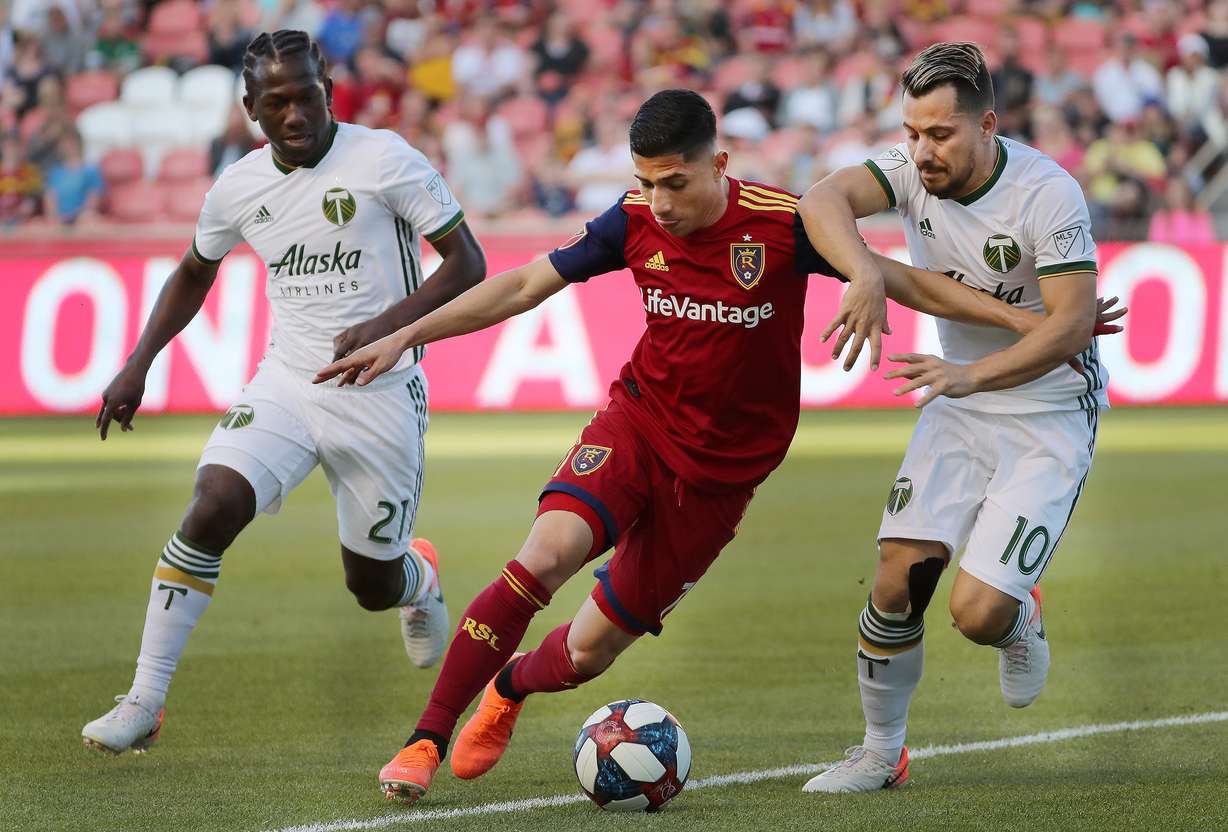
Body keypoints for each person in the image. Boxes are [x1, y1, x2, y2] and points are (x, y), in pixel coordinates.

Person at [314, 88, 1096, 806]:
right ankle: (424, 739)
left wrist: (1041, 325)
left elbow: (909, 282)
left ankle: (511, 687)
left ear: (717, 165)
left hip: (718, 483)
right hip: (639, 425)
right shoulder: (632, 221)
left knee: (587, 655)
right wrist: (407, 335)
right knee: (542, 557)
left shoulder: (783, 226)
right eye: (646, 182)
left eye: (675, 183)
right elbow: (524, 286)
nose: (660, 201)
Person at [80, 29, 487, 756]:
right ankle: (143, 699)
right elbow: (194, 271)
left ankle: (418, 578)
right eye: (278, 103)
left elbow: (468, 263)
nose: (296, 114)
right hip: (287, 385)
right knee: (211, 506)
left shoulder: (385, 158)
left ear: (326, 86)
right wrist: (139, 361)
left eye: (307, 95)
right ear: (252, 111)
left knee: (368, 583)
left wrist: (386, 326)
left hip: (380, 392)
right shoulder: (238, 186)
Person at [798, 42, 1117, 794]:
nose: (920, 150)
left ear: (986, 127)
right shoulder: (910, 173)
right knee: (895, 579)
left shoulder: (1048, 192)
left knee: (975, 613)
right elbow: (819, 200)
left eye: (939, 134)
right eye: (911, 131)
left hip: (1048, 412)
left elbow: (1070, 330)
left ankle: (1018, 619)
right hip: (959, 406)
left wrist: (969, 372)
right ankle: (881, 752)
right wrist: (869, 271)